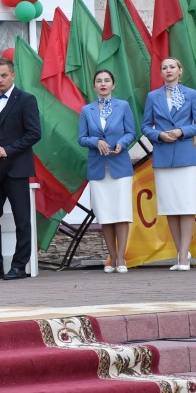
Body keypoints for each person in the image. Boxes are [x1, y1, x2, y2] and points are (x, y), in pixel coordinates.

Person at [0, 58, 41, 280]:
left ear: (13, 75)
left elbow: (34, 133)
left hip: (17, 169)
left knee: (21, 219)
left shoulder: (27, 100)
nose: (0, 80)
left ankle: (19, 266)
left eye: (4, 75)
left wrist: (8, 150)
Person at [142, 57, 196, 271]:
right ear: (160, 73)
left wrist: (181, 131)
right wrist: (159, 134)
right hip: (163, 157)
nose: (168, 70)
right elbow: (145, 126)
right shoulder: (153, 96)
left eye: (172, 67)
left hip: (186, 157)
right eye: (164, 67)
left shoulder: (191, 94)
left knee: (187, 206)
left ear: (180, 70)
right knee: (170, 206)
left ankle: (184, 258)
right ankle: (181, 253)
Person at [78, 70, 135, 274]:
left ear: (113, 85)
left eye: (107, 80)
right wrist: (96, 141)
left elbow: (131, 132)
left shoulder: (123, 106)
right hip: (98, 168)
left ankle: (121, 257)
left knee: (121, 212)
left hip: (120, 166)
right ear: (94, 86)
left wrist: (122, 143)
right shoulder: (87, 110)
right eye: (99, 81)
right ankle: (111, 256)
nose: (103, 84)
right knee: (105, 214)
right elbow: (82, 138)